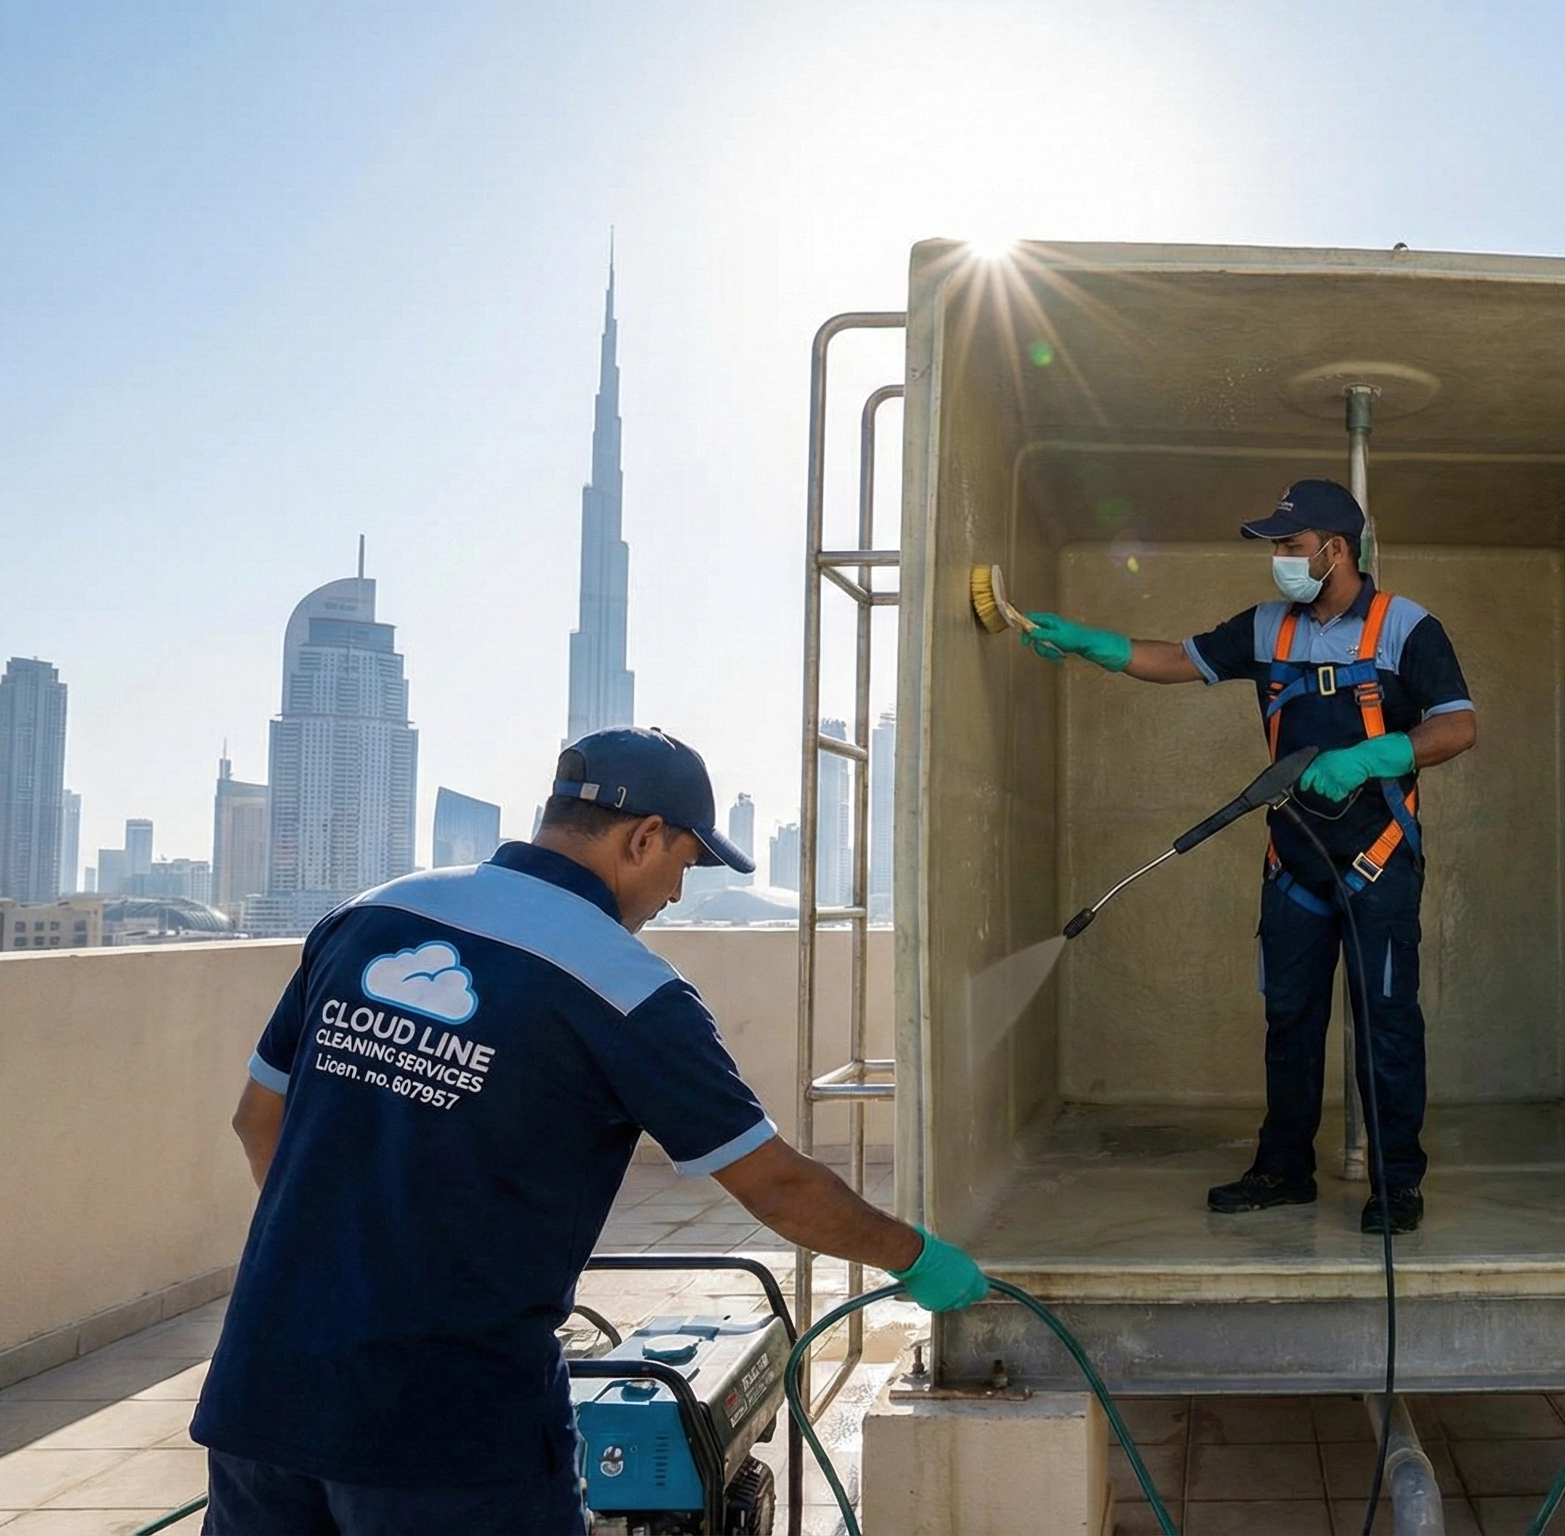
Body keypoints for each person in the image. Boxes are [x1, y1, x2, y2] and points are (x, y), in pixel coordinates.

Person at [190, 727, 988, 1536]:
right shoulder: (625, 988)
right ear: (644, 837)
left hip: (265, 1385)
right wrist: (916, 1258)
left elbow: (259, 1121)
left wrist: (347, 1269)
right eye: (683, 864)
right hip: (446, 1424)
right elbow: (777, 1187)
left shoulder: (372, 914)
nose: (676, 894)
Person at [1020, 478, 1477, 1233]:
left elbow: (1458, 725)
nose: (1280, 560)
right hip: (1293, 862)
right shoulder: (1269, 627)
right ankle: (1283, 1170)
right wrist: (1091, 645)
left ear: (1337, 548)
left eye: (1291, 547)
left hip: (1378, 861)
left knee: (1387, 1025)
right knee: (1290, 1021)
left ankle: (1396, 1185)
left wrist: (1375, 756)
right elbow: (1181, 659)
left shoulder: (1407, 628)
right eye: (1276, 548)